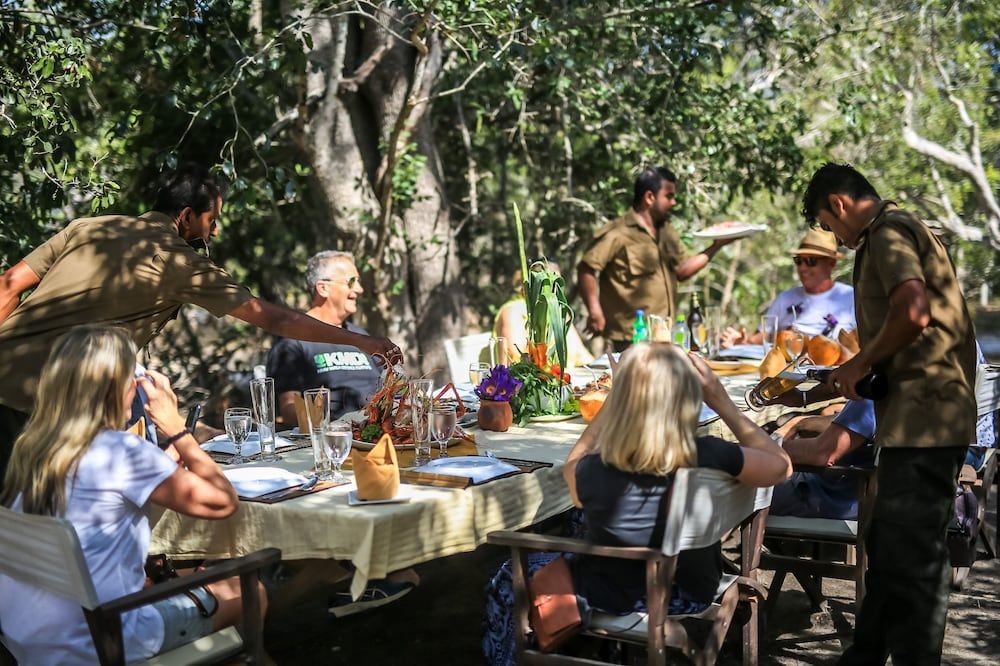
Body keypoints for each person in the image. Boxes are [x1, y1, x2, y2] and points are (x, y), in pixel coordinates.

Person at [0, 164, 402, 489]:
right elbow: (272, 317)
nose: (215, 231)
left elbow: (9, 286)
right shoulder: (177, 261)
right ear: (187, 216)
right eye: (212, 221)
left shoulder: (88, 227)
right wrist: (360, 342)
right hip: (49, 401)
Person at [483, 344, 791, 665]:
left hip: (623, 594)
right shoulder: (709, 453)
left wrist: (612, 402)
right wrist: (721, 401)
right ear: (689, 399)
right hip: (695, 588)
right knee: (580, 526)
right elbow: (781, 465)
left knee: (506, 573)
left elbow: (572, 469)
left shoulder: (600, 468)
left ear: (623, 403)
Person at [0, 326, 265, 663]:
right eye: (135, 376)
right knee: (245, 590)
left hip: (32, 640)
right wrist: (176, 428)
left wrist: (164, 461)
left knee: (180, 577)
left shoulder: (35, 450)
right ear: (114, 387)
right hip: (104, 639)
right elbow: (223, 501)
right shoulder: (121, 451)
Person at [803, 162, 977, 664]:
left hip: (927, 423)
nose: (835, 236)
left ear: (839, 205)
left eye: (829, 224)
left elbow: (914, 310)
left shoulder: (889, 233)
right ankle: (866, 654)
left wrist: (861, 361)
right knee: (887, 546)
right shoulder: (898, 231)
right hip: (912, 420)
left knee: (916, 563)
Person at [577, 166, 735, 352]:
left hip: (665, 334)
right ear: (649, 197)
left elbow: (682, 271)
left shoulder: (666, 231)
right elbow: (586, 268)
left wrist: (716, 245)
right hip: (632, 337)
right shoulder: (618, 232)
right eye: (669, 196)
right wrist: (595, 311)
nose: (674, 202)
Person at [267, 251, 382, 426]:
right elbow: (289, 409)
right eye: (351, 281)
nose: (359, 289)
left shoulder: (362, 337)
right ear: (323, 288)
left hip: (382, 435)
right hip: (332, 441)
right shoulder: (293, 340)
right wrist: (331, 425)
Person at [722, 228, 856, 346]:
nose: (802, 267)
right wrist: (743, 342)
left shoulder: (850, 298)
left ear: (831, 263)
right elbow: (764, 336)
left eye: (811, 261)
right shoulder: (785, 298)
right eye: (798, 260)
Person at [492, 261, 594, 368]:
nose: (555, 291)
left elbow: (582, 356)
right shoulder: (512, 311)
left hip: (567, 381)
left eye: (558, 284)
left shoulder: (559, 311)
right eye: (549, 284)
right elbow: (514, 360)